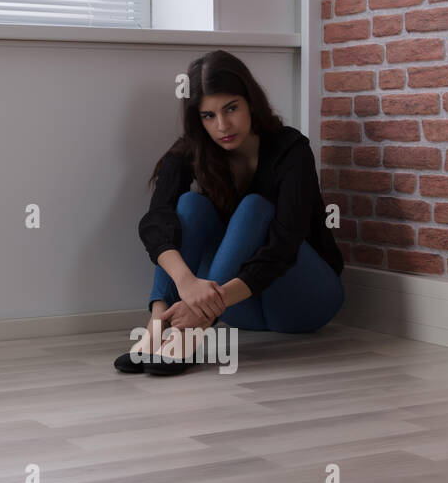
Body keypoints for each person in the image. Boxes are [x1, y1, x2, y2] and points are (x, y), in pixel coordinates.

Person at [115, 49, 346, 376]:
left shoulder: (291, 149)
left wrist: (204, 308)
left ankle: (188, 334)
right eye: (208, 116)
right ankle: (155, 328)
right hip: (239, 309)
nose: (222, 125)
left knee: (254, 207)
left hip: (304, 301)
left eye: (231, 108)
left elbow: (283, 247)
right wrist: (187, 285)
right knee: (189, 206)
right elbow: (155, 222)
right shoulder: (192, 152)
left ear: (251, 102)